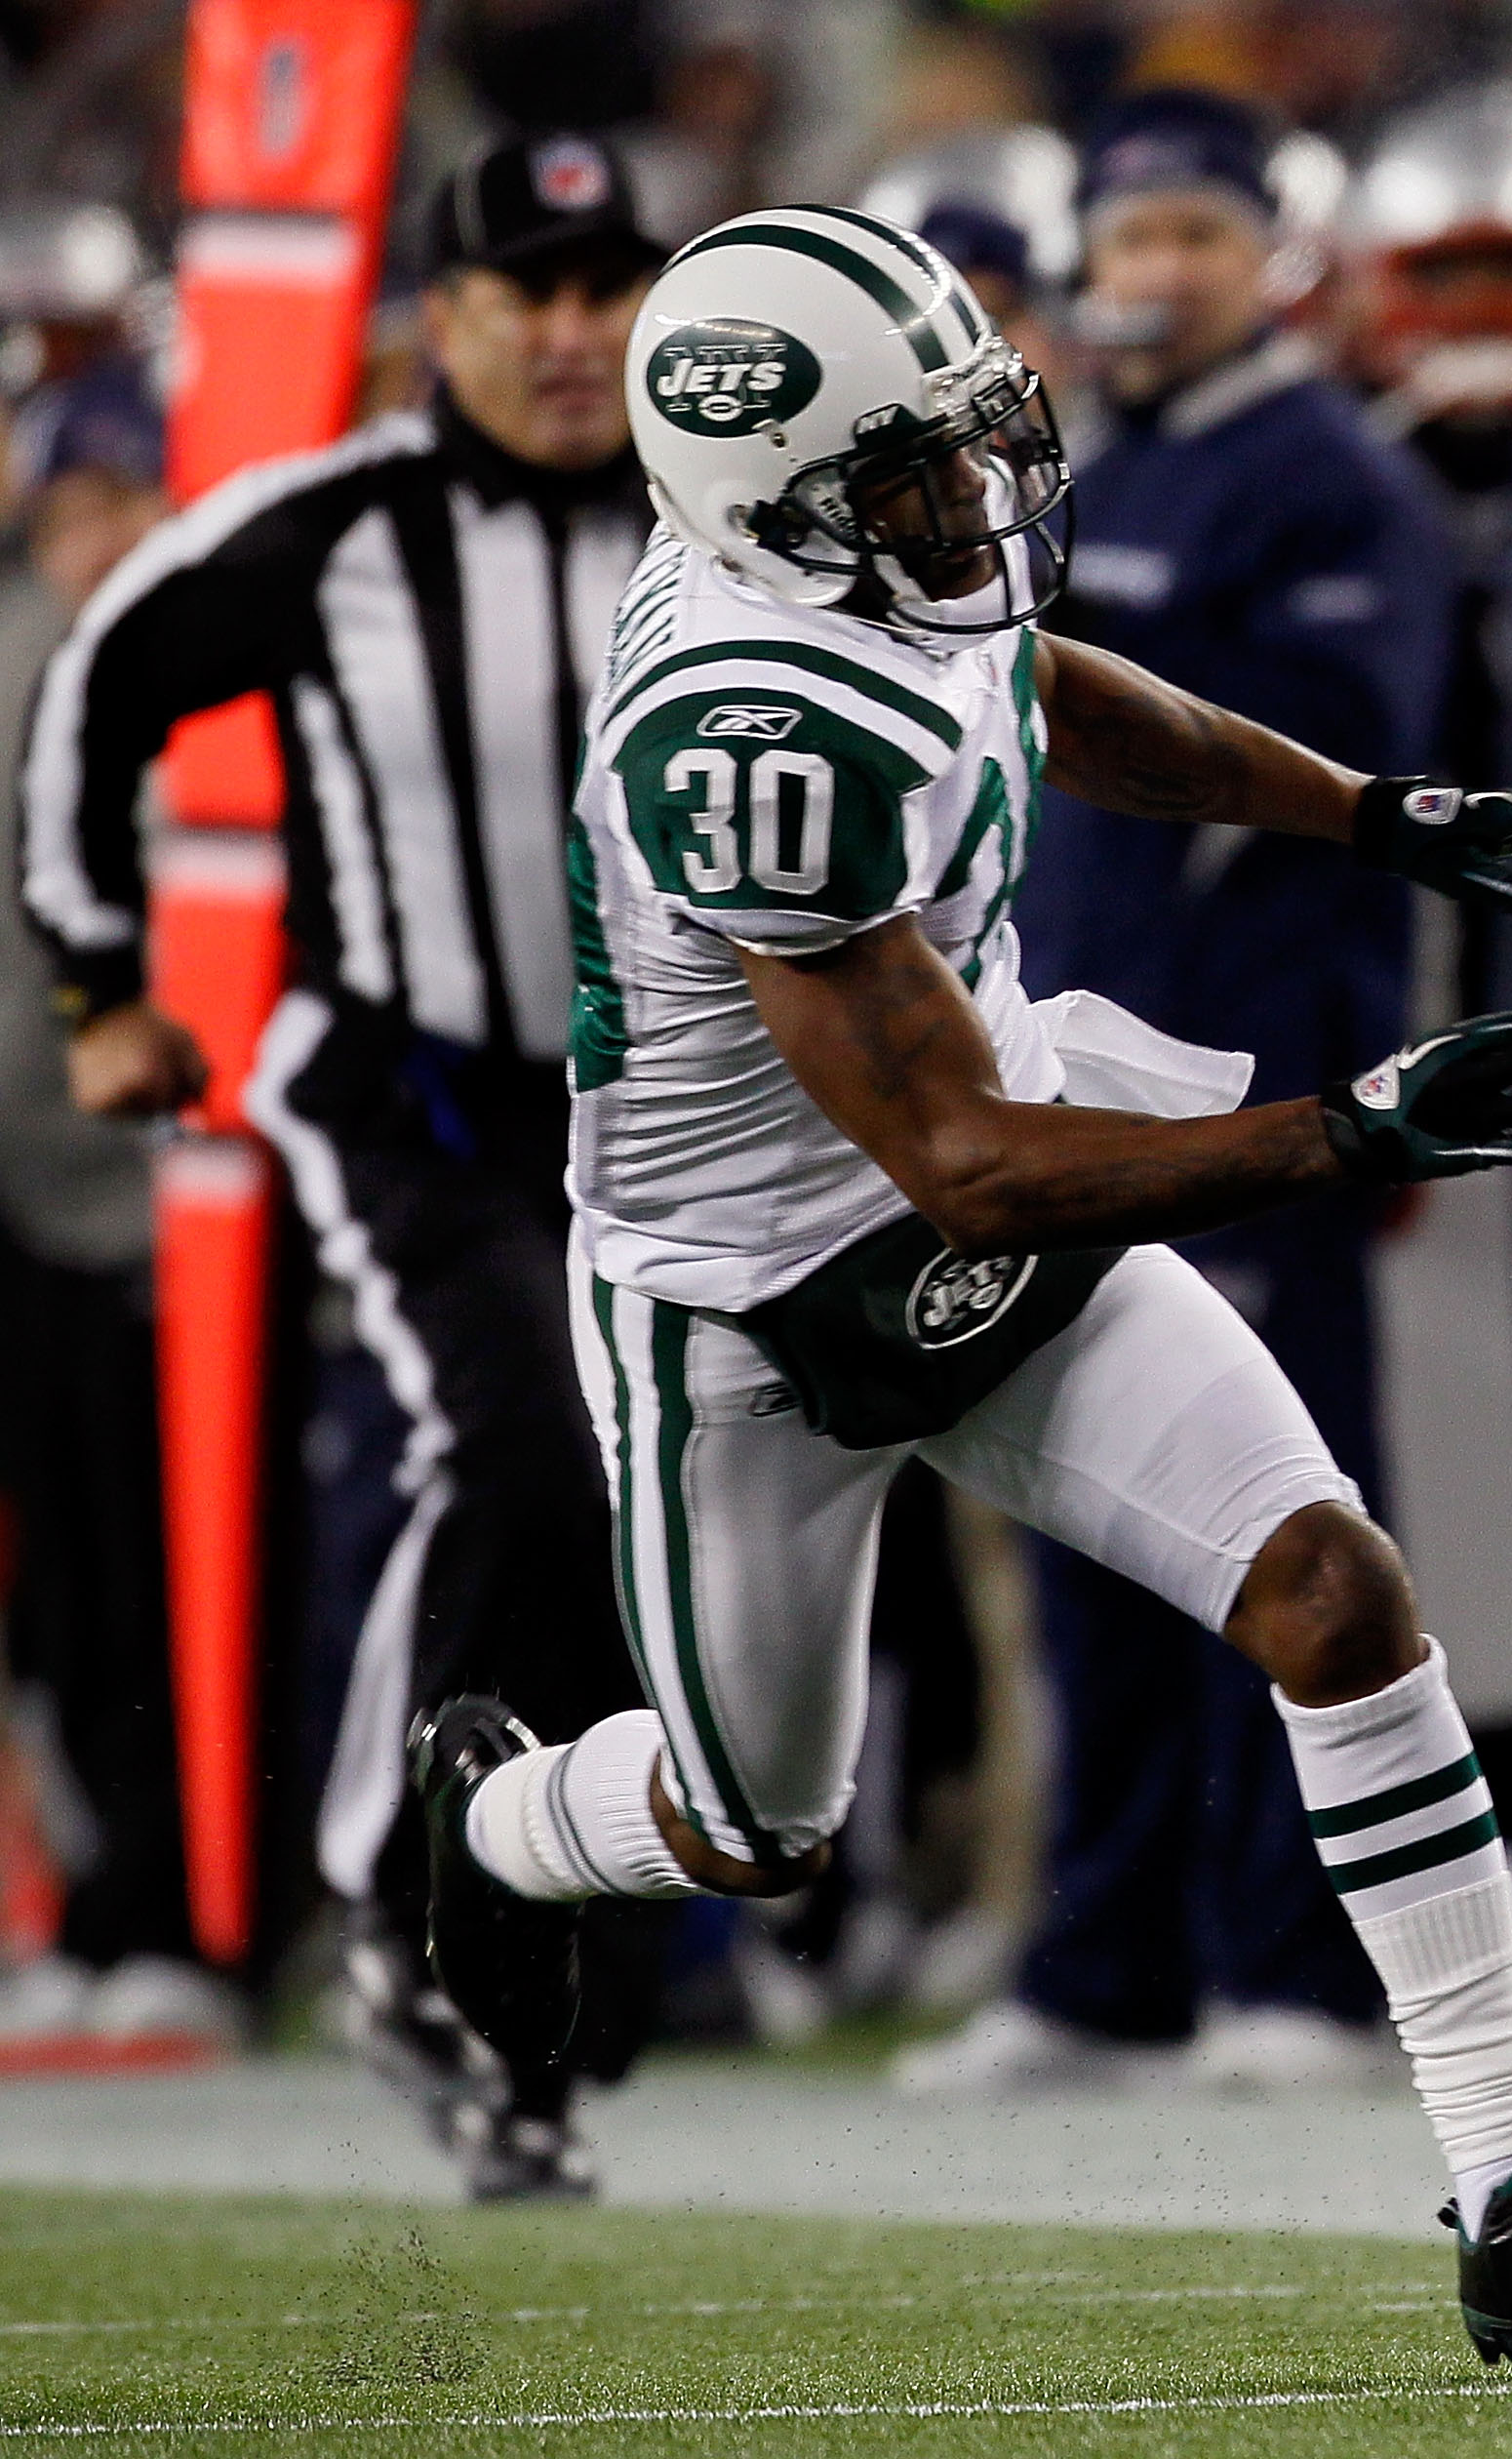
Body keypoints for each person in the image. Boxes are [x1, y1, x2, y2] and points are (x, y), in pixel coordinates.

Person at [414, 202, 1512, 2358]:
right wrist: (1362, 1125)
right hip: (753, 1303)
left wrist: (1377, 815)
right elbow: (962, 1170)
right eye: (914, 476)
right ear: (775, 499)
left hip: (982, 1169)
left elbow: (1051, 692)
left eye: (969, 445)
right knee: (756, 1822)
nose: (977, 501)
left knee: (1336, 1594)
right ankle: (501, 1815)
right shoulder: (745, 728)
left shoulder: (843, 568)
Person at [20, 136, 674, 2197]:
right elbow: (94, 703)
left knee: (652, 1522)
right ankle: (391, 1891)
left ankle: (530, 1982)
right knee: (524, 1450)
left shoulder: (729, 520)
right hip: (419, 1104)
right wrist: (100, 988)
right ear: (442, 319)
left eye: (605, 289)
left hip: (680, 1121)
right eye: (528, 292)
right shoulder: (336, 530)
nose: (573, 335)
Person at [882, 91, 1464, 2100]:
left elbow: (1329, 781)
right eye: (1127, 244)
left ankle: (1291, 1967)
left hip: (1251, 1083)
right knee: (1089, 1521)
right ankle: (1105, 1959)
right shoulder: (1082, 462)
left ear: (1272, 255)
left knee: (1276, 1530)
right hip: (1081, 1086)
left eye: (1195, 238)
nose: (1153, 279)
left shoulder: (1331, 478)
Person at [0, 364, 206, 2046]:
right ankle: (89, 1899)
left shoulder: (213, 669)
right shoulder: (21, 659)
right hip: (31, 1201)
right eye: (72, 509)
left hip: (172, 1201)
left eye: (124, 502)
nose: (97, 540)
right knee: (60, 1588)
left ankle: (184, 1909)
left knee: (161, 1574)